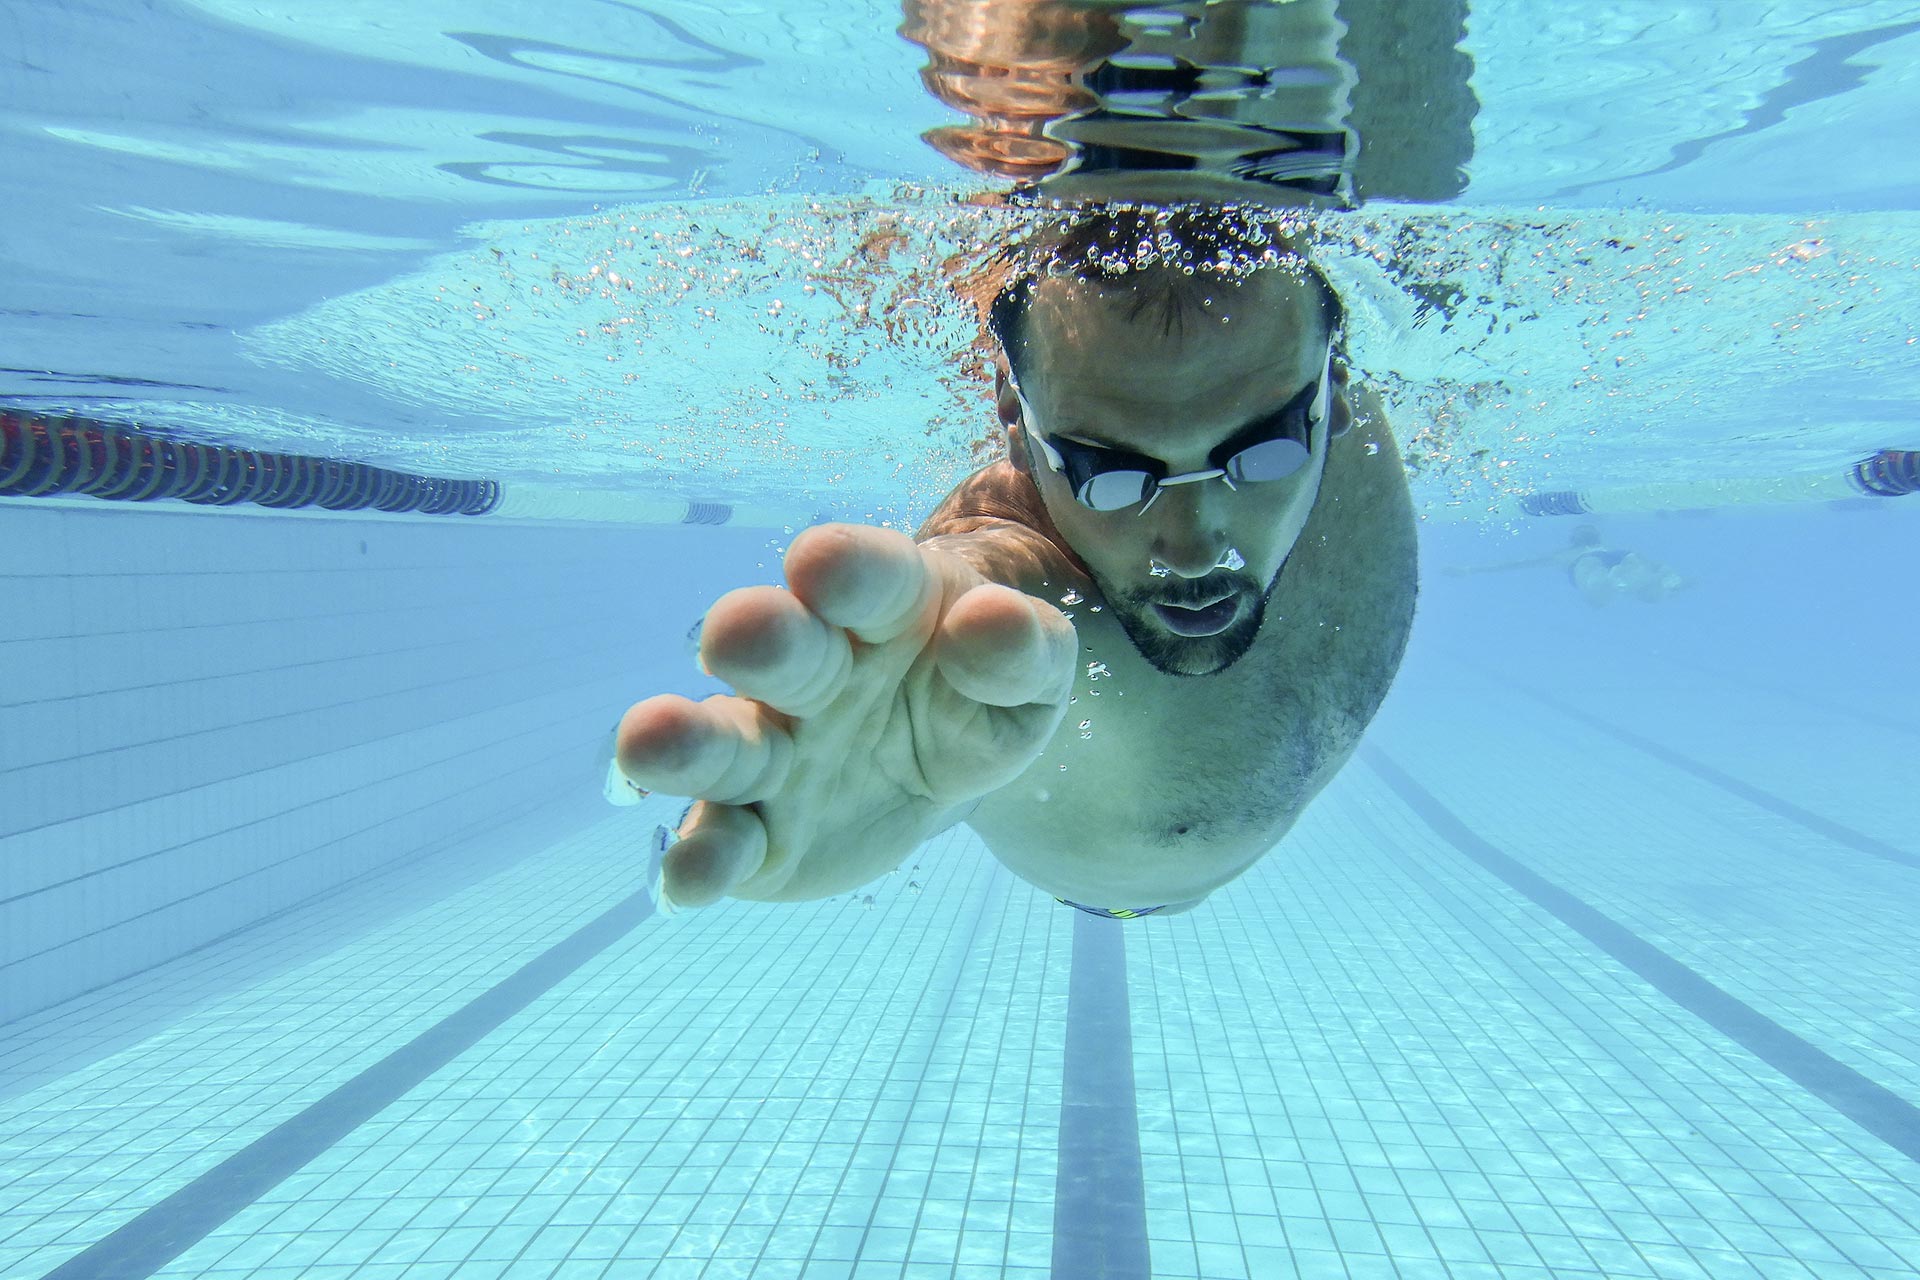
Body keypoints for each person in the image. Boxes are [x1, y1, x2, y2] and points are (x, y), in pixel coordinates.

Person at [614, 204, 1417, 917]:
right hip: (1084, 888)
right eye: (1112, 476)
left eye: (1264, 454)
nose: (1195, 542)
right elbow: (977, 584)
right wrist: (923, 653)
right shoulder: (1014, 570)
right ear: (1014, 419)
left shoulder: (1347, 432)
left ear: (1334, 387)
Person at [1444, 525, 1689, 606]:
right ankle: (1662, 580)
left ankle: (1620, 583)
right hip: (1623, 558)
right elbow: (1649, 562)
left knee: (1597, 583)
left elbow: (1517, 564)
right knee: (1639, 572)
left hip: (1587, 566)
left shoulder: (1567, 555)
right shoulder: (1609, 548)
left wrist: (1470, 569)